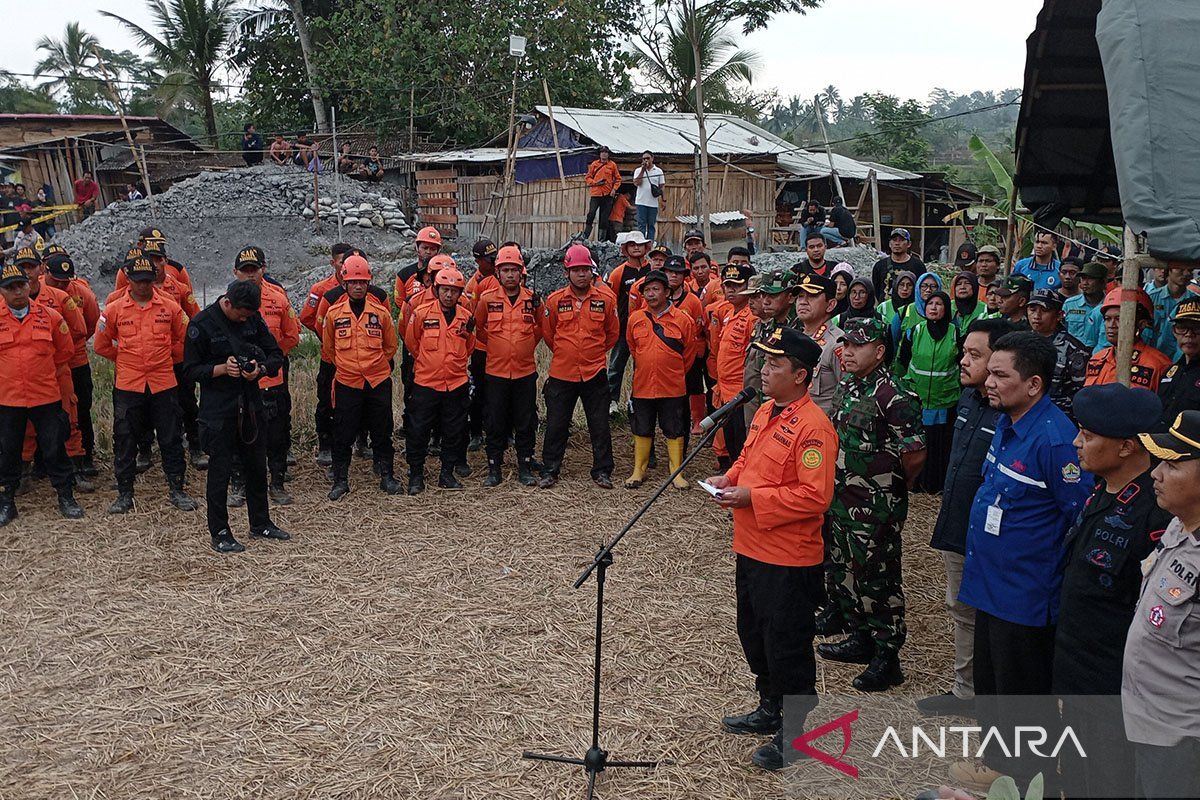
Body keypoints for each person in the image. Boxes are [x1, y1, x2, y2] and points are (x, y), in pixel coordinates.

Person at [951, 332, 1090, 793]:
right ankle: (997, 763)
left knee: (1023, 695)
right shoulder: (1008, 423)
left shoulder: (1054, 442)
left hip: (1026, 596)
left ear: (1033, 384)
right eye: (988, 371)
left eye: (999, 374)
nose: (988, 381)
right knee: (993, 686)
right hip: (990, 584)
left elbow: (1079, 517)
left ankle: (1033, 777)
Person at [707, 326, 836, 771]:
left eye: (774, 364)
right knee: (754, 635)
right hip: (751, 545)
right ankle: (770, 706)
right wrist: (731, 478)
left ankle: (797, 732)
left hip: (788, 557)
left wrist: (752, 498)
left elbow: (815, 497)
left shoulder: (815, 429)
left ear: (800, 376)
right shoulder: (765, 410)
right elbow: (747, 458)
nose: (764, 370)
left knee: (786, 645)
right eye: (764, 361)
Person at [1053, 384, 1170, 800]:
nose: (1076, 443)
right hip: (1078, 676)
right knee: (1080, 778)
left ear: (1125, 447)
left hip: (1115, 690)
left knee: (1110, 781)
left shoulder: (1156, 515)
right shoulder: (1102, 491)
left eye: (1087, 434)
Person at [916, 317, 1017, 718]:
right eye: (965, 351)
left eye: (975, 355)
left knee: (981, 616)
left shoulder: (1009, 416)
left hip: (990, 538)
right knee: (960, 608)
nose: (963, 361)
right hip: (960, 525)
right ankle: (965, 689)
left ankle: (976, 694)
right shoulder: (969, 401)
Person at [819, 317, 926, 690]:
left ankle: (887, 656)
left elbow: (914, 453)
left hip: (876, 505)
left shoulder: (896, 394)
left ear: (879, 352)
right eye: (845, 344)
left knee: (877, 579)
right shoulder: (849, 386)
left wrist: (894, 486)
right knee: (844, 572)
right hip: (842, 499)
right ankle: (860, 637)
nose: (846, 352)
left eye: (856, 346)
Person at [1123, 412, 1200, 798]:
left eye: (1172, 464)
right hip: (1149, 726)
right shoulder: (1180, 523)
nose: (1156, 473)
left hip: (1184, 743)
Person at [182, 280, 289, 553]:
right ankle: (219, 532)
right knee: (220, 472)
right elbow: (189, 371)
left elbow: (277, 354)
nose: (244, 319)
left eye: (248, 315)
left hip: (251, 404)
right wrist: (220, 369)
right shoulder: (201, 324)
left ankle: (260, 522)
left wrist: (261, 369)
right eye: (241, 314)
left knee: (256, 466)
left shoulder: (253, 319)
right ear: (227, 302)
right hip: (218, 410)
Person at [94, 254, 197, 513]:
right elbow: (101, 344)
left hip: (163, 382)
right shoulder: (114, 309)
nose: (143, 286)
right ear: (128, 279)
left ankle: (177, 488)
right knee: (125, 438)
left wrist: (166, 358)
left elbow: (185, 340)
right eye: (138, 281)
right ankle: (124, 494)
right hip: (129, 385)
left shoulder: (171, 307)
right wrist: (125, 359)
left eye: (148, 281)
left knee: (171, 437)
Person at [0, 262, 84, 526]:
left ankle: (66, 497)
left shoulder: (50, 316)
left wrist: (40, 372)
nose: (17, 292)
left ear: (29, 285)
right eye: (9, 288)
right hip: (9, 398)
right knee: (9, 451)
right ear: (2, 292)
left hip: (46, 396)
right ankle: (7, 502)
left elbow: (65, 352)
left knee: (54, 448)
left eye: (21, 285)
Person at [538, 244, 619, 489]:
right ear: (567, 273)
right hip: (562, 373)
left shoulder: (606, 299)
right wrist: (568, 353)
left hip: (594, 372)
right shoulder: (554, 300)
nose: (581, 274)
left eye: (585, 269)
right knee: (556, 424)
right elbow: (549, 334)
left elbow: (612, 334)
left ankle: (602, 471)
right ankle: (550, 470)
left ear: (592, 271)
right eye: (576, 270)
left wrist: (591, 353)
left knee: (600, 425)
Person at [323, 254, 401, 498]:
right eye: (354, 282)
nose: (358, 287)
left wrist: (373, 366)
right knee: (343, 432)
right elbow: (329, 350)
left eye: (363, 282)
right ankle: (340, 480)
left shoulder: (381, 313)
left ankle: (387, 476)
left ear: (369, 284)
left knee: (382, 430)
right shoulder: (334, 314)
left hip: (377, 381)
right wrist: (349, 367)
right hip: (347, 382)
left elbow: (390, 346)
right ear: (344, 283)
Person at [231, 247, 300, 504]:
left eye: (255, 270)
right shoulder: (227, 303)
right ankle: (239, 484)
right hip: (238, 380)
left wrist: (269, 361)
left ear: (264, 270)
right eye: (245, 270)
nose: (250, 275)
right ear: (235, 272)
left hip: (271, 379)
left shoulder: (279, 299)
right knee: (239, 432)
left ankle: (278, 482)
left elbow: (291, 335)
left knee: (276, 433)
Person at [473, 245, 541, 487]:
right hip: (496, 371)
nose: (510, 275)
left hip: (524, 372)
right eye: (505, 270)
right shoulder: (487, 299)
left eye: (514, 270)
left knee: (525, 420)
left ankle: (525, 465)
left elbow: (541, 328)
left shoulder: (532, 299)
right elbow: (479, 328)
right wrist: (497, 346)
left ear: (521, 272)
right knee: (495, 420)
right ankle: (494, 468)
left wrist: (525, 345)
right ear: (498, 273)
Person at [624, 269, 698, 490]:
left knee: (675, 428)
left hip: (672, 386)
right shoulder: (635, 319)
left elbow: (690, 353)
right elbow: (632, 347)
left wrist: (671, 371)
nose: (651, 294)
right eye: (647, 290)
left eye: (656, 289)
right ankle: (639, 470)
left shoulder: (683, 320)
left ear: (667, 292)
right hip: (643, 385)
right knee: (642, 427)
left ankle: (677, 473)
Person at [42, 253, 100, 476]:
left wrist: (72, 345)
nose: (61, 285)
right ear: (45, 272)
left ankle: (85, 456)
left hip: (75, 361)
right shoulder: (36, 291)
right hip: (45, 364)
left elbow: (93, 324)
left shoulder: (83, 294)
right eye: (56, 280)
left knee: (81, 410)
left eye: (65, 281)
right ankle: (47, 460)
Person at [896, 289, 959, 492]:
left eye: (939, 304)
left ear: (946, 308)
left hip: (945, 399)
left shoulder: (955, 333)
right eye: (930, 303)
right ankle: (914, 484)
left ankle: (934, 486)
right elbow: (903, 359)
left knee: (938, 444)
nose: (934, 307)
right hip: (918, 398)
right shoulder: (915, 331)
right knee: (917, 444)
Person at [301, 242, 353, 465]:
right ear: (333, 262)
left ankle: (359, 439)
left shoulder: (359, 286)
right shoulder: (321, 290)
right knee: (326, 401)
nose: (344, 266)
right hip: (330, 356)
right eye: (341, 261)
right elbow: (307, 317)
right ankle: (325, 445)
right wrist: (326, 336)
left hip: (353, 358)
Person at [708, 263, 757, 466]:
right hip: (725, 390)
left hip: (741, 392)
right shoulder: (728, 313)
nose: (731, 289)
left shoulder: (751, 317)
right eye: (727, 285)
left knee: (741, 442)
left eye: (737, 285)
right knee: (730, 439)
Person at [1085, 287, 1172, 390]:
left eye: (1119, 319)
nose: (1111, 325)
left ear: (1141, 324)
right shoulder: (1097, 360)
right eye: (1108, 319)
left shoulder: (1158, 364)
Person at [1026, 289, 1089, 419]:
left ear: (1059, 315)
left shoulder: (1074, 349)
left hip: (1058, 417)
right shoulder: (1021, 342)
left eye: (1044, 310)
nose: (1037, 316)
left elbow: (1082, 392)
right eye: (1032, 309)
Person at [605, 232, 651, 410]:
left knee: (642, 366)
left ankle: (637, 400)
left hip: (648, 329)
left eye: (639, 244)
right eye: (632, 244)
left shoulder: (653, 271)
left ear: (646, 247)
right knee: (616, 365)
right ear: (625, 249)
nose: (636, 247)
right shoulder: (618, 273)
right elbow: (610, 299)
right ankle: (611, 401)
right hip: (624, 327)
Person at [464, 238, 501, 455]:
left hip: (501, 348)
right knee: (478, 391)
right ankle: (476, 433)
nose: (495, 263)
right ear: (478, 261)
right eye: (490, 260)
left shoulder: (502, 278)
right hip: (481, 348)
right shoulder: (473, 285)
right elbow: (473, 318)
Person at [791, 273, 843, 415]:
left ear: (830, 304)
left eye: (812, 296)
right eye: (800, 296)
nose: (803, 302)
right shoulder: (796, 338)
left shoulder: (837, 343)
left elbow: (848, 393)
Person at [1158, 297, 1200, 426]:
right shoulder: (1171, 371)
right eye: (1182, 328)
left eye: (1197, 328)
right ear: (1174, 332)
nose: (1188, 334)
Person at [1149, 263, 1199, 361]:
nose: (1185, 274)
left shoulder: (1196, 302)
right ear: (1169, 270)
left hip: (1184, 360)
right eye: (1180, 269)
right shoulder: (1152, 298)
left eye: (1189, 270)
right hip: (1154, 359)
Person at [890, 271, 943, 353]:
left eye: (933, 286)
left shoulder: (944, 312)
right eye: (924, 286)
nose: (928, 290)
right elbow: (894, 341)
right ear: (918, 288)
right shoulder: (904, 311)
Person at [872, 228, 924, 302]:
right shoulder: (879, 266)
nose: (897, 243)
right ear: (890, 244)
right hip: (886, 310)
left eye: (901, 240)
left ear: (909, 244)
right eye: (894, 240)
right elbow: (877, 290)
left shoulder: (918, 266)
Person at [1064, 261, 1108, 346]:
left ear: (1103, 282)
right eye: (1083, 278)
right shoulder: (1070, 304)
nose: (1085, 283)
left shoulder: (1110, 307)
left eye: (1090, 278)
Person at [583, 147, 621, 241]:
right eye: (602, 152)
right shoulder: (594, 164)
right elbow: (588, 178)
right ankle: (586, 235)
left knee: (604, 218)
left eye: (606, 152)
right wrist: (595, 182)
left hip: (607, 195)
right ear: (600, 154)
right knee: (591, 213)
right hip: (596, 194)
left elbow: (618, 179)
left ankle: (601, 239)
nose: (604, 154)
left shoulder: (612, 165)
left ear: (608, 154)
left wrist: (614, 189)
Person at [632, 150, 665, 241]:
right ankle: (641, 243)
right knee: (641, 225)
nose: (646, 160)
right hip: (641, 202)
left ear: (652, 158)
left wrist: (663, 200)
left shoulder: (658, 171)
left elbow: (661, 186)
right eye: (644, 159)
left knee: (651, 225)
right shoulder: (638, 170)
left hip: (653, 203)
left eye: (648, 158)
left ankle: (650, 244)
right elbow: (637, 183)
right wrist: (643, 170)